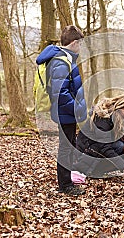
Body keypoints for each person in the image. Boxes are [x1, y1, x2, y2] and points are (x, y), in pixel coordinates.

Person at [37, 25, 88, 196]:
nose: (81, 48)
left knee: (69, 145)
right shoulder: (60, 61)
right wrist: (76, 108)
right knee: (66, 148)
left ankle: (68, 180)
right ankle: (65, 184)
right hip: (65, 112)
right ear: (74, 43)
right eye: (80, 44)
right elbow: (60, 92)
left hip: (67, 112)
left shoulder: (66, 59)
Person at [74, 94, 124, 180]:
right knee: (117, 147)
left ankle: (98, 171)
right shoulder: (103, 119)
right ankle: (91, 171)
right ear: (118, 108)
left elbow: (114, 138)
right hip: (86, 152)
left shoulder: (115, 118)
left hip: (96, 149)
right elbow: (104, 146)